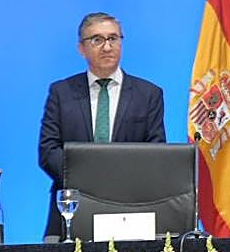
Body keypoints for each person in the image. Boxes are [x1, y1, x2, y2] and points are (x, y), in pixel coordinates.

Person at [38, 12, 166, 237]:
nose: (107, 47)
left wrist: (114, 186)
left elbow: (155, 153)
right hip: (71, 210)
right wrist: (90, 184)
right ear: (81, 48)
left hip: (130, 210)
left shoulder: (148, 94)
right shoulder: (61, 92)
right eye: (97, 40)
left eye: (113, 38)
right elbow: (48, 151)